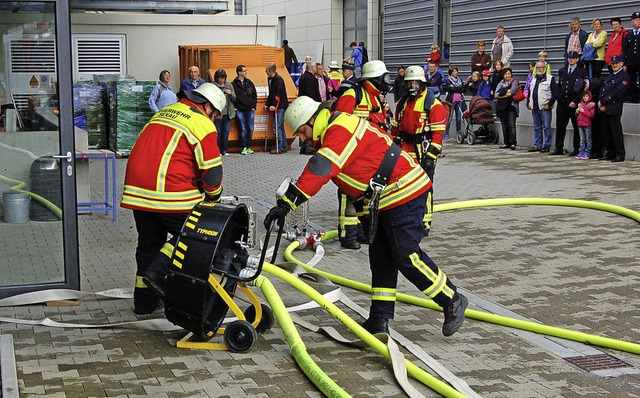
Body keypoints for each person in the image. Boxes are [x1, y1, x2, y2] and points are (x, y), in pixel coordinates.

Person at [264, 95, 468, 337]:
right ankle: (379, 319)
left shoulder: (339, 128)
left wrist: (288, 202)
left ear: (313, 119)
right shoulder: (333, 130)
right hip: (386, 199)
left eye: (302, 132)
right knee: (381, 258)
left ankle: (451, 299)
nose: (302, 139)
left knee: (406, 256)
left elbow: (321, 168)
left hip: (404, 192)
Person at [121, 83, 226, 315]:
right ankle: (159, 274)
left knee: (148, 246)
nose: (215, 120)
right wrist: (213, 199)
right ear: (207, 106)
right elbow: (211, 172)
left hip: (138, 193)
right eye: (216, 114)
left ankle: (144, 303)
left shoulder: (163, 113)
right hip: (170, 193)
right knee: (192, 237)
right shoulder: (201, 123)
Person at [333, 60, 393, 249]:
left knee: (365, 194)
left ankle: (361, 230)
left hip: (370, 155)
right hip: (352, 153)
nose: (387, 81)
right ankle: (347, 235)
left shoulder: (374, 97)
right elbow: (339, 123)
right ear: (375, 78)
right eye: (384, 77)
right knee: (347, 194)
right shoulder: (353, 95)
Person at [391, 65, 448, 237]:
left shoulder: (433, 104)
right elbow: (396, 130)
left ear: (422, 84)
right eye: (409, 83)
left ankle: (424, 221)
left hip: (423, 151)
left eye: (416, 83)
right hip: (405, 151)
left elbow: (438, 134)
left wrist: (431, 156)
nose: (412, 87)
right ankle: (406, 219)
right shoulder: (403, 103)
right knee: (402, 187)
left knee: (425, 187)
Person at [551, 51, 587, 156]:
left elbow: (581, 88)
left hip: (573, 102)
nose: (571, 59)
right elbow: (560, 85)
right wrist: (558, 96)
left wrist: (575, 101)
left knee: (576, 127)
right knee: (560, 125)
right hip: (563, 102)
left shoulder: (581, 72)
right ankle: (559, 148)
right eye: (569, 57)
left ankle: (576, 148)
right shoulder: (562, 70)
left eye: (573, 58)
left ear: (577, 59)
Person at [598, 55, 630, 162]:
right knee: (607, 132)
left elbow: (618, 92)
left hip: (614, 107)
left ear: (622, 63)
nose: (614, 65)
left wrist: (604, 101)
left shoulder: (624, 76)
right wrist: (600, 101)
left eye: (617, 63)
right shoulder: (611, 76)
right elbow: (603, 89)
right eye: (613, 63)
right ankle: (610, 152)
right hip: (605, 107)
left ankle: (619, 154)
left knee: (615, 132)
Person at [526, 61, 557, 153]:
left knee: (546, 127)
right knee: (537, 127)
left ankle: (546, 145)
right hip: (535, 107)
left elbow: (555, 94)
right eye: (538, 67)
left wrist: (549, 104)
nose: (540, 69)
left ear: (545, 68)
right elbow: (530, 92)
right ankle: (537, 145)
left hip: (545, 107)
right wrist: (528, 103)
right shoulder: (533, 79)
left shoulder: (550, 79)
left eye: (542, 67)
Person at [232, 64, 258, 155]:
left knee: (250, 128)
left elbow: (254, 95)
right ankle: (243, 147)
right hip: (239, 109)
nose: (246, 72)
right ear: (239, 72)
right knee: (242, 128)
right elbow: (233, 96)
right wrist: (235, 107)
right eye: (244, 71)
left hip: (249, 109)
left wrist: (254, 106)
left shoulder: (249, 83)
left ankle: (248, 146)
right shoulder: (234, 84)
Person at [265, 63, 289, 154]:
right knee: (279, 126)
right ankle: (283, 145)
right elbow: (271, 93)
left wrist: (274, 105)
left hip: (281, 105)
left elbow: (278, 93)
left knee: (277, 126)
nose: (266, 72)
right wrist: (268, 104)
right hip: (277, 104)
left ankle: (281, 146)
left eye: (267, 70)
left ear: (271, 71)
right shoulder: (270, 79)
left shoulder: (278, 80)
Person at [494, 67, 520, 150]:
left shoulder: (514, 81)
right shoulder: (500, 83)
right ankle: (506, 142)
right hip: (502, 107)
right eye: (505, 74)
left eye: (509, 73)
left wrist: (502, 93)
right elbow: (496, 94)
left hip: (511, 107)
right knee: (504, 126)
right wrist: (505, 93)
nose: (507, 75)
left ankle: (513, 143)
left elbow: (512, 92)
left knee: (511, 125)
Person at [213, 68, 236, 156]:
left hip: (228, 113)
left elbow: (234, 98)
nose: (221, 80)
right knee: (218, 132)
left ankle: (224, 150)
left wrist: (230, 93)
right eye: (219, 78)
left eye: (223, 78)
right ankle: (217, 150)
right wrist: (222, 92)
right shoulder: (213, 85)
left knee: (226, 131)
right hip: (218, 112)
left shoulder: (229, 85)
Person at [443, 66, 466, 143]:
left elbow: (463, 88)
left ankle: (458, 134)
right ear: (451, 72)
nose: (456, 73)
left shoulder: (460, 80)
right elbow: (450, 89)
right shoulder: (448, 80)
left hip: (459, 100)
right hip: (451, 100)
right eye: (454, 71)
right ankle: (446, 134)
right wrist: (458, 89)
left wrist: (457, 89)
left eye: (456, 71)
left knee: (459, 118)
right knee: (449, 119)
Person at [622, 11, 640, 103]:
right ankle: (633, 98)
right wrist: (624, 63)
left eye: (639, 20)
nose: (638, 21)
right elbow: (624, 50)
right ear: (632, 22)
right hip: (630, 62)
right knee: (631, 81)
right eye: (636, 20)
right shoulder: (627, 35)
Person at [575, 90, 595, 159]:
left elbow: (591, 115)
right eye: (584, 96)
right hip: (580, 124)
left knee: (588, 139)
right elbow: (577, 115)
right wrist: (577, 111)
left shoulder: (590, 105)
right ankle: (581, 152)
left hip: (587, 124)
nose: (585, 98)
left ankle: (587, 152)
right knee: (582, 139)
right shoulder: (581, 104)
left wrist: (584, 111)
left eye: (587, 96)